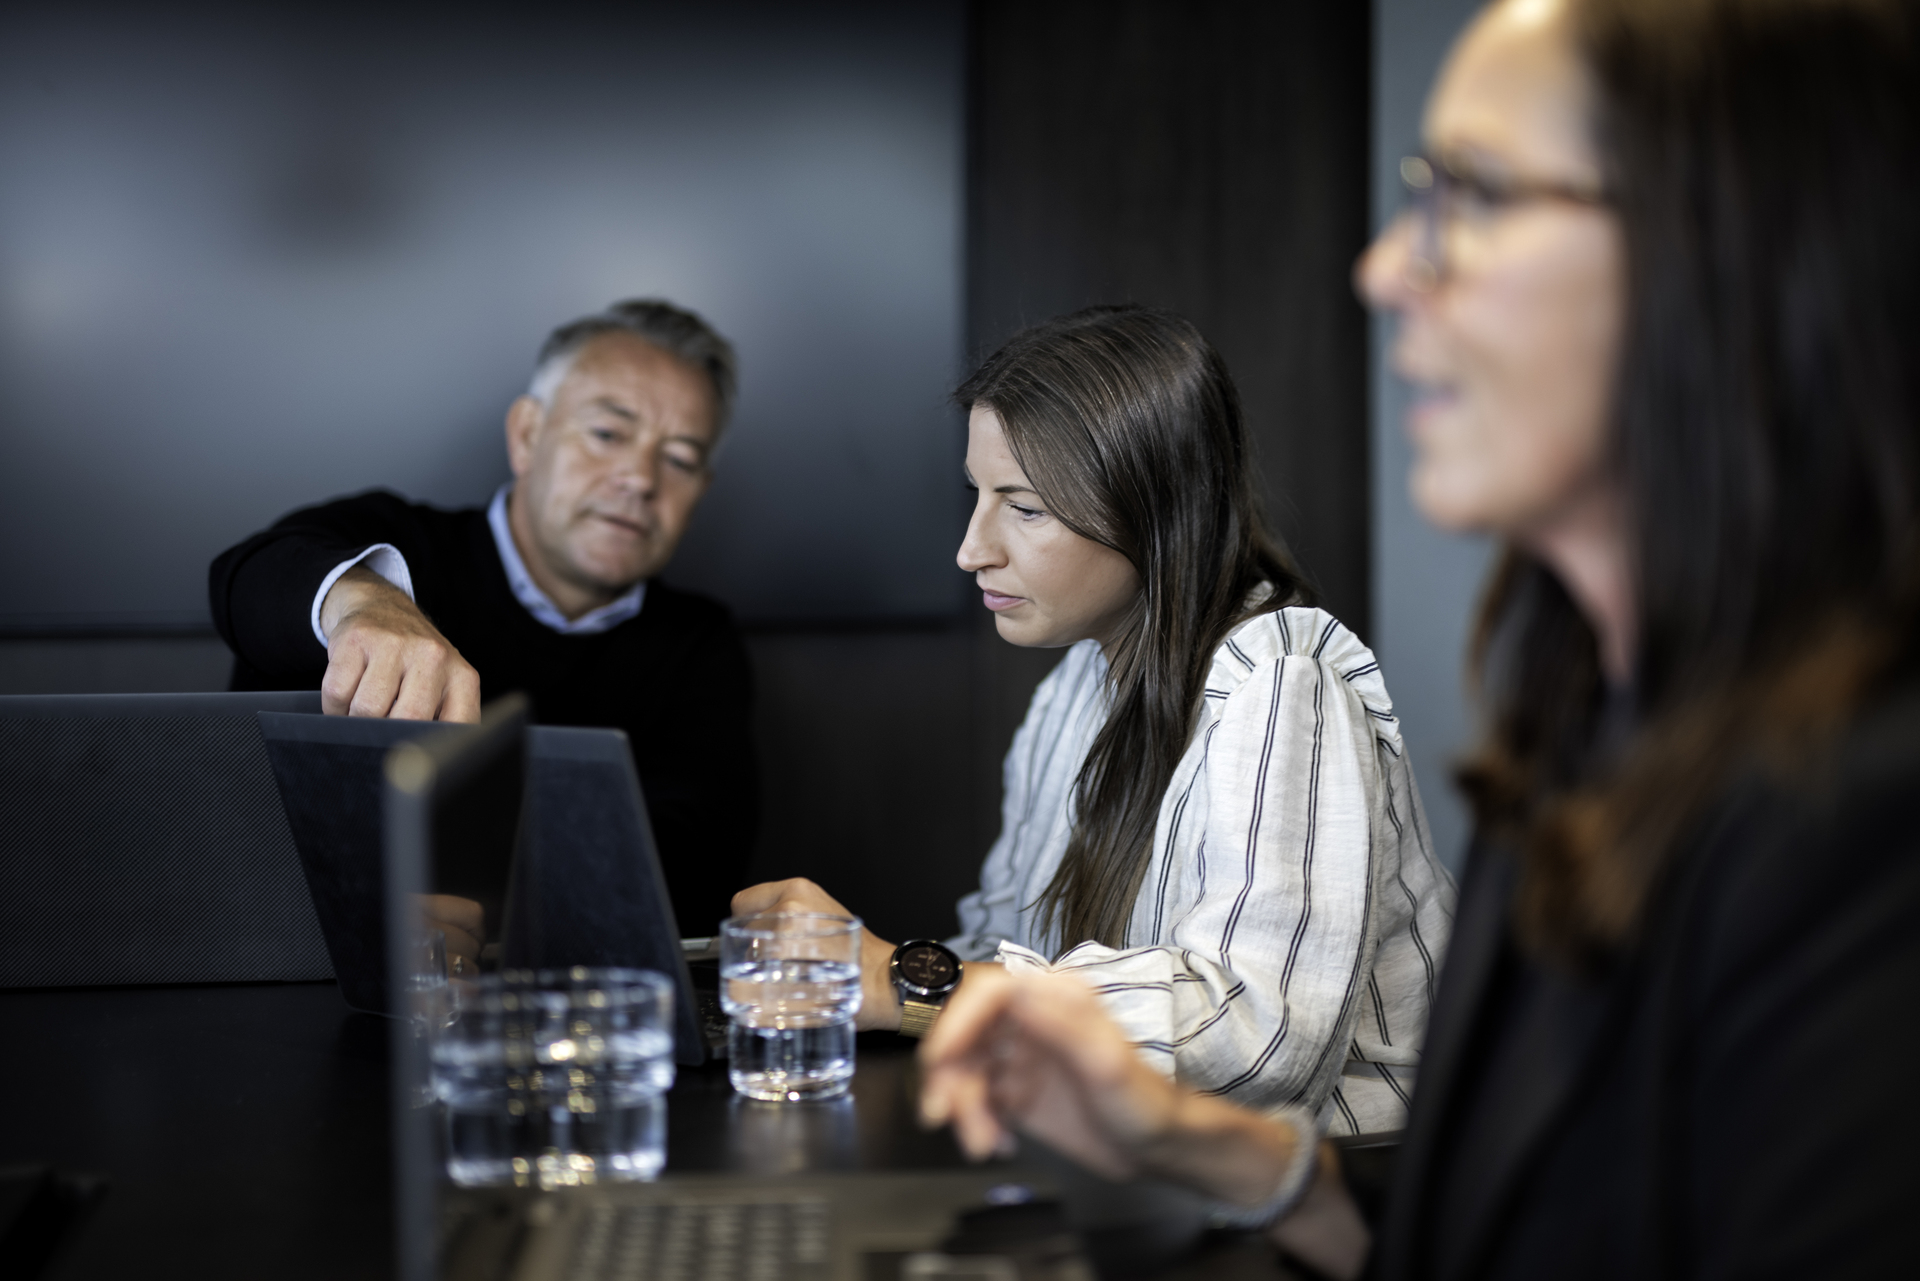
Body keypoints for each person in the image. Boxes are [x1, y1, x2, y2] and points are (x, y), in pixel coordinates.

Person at [918, 0, 1920, 1276]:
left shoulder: (1867, 813)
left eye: (1477, 195)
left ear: (1736, 248)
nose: (1386, 269)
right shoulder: (1571, 734)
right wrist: (1194, 1142)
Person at [737, 306, 1455, 1134]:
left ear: (1154, 511)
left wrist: (906, 980)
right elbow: (1004, 943)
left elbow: (1259, 1039)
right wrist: (840, 977)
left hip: (1343, 1172)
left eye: (1024, 507)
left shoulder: (1283, 684)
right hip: (1133, 1153)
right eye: (978, 495)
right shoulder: (1073, 689)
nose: (972, 549)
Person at [209, 299, 756, 937]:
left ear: (699, 491)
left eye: (680, 459)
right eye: (608, 434)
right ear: (526, 435)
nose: (639, 479)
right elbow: (248, 578)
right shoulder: (396, 546)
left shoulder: (698, 645)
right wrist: (362, 602)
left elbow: (695, 867)